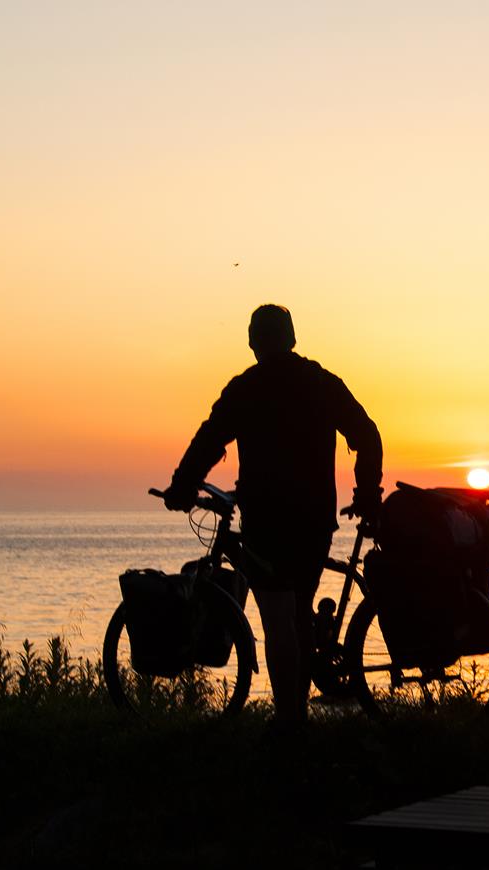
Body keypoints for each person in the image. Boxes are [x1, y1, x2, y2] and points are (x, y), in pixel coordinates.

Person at [163, 304, 382, 732]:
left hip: (268, 521)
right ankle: (296, 716)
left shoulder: (246, 387)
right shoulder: (322, 382)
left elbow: (209, 440)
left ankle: (289, 724)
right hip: (316, 520)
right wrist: (367, 493)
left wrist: (181, 487)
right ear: (293, 339)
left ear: (252, 341)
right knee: (298, 612)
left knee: (279, 619)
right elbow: (367, 434)